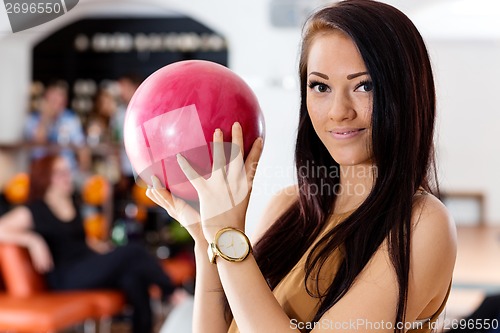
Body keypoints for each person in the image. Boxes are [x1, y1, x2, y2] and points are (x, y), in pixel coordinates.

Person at [147, 1, 457, 333]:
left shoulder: (422, 224)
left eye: (364, 86)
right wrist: (205, 237)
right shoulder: (288, 206)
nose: (339, 111)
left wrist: (229, 237)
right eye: (320, 87)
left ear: (406, 92)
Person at [0, 154, 176, 333]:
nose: (68, 177)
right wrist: (32, 240)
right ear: (46, 177)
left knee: (131, 277)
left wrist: (106, 252)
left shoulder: (72, 203)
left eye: (68, 172)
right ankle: (173, 293)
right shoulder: (34, 210)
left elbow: (80, 242)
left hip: (87, 265)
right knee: (134, 251)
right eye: (61, 173)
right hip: (67, 277)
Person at [24, 80, 89, 171]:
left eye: (60, 100)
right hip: (42, 170)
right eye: (52, 100)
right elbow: (38, 143)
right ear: (44, 100)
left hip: (67, 170)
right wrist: (45, 118)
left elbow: (82, 147)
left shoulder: (70, 119)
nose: (56, 104)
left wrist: (83, 174)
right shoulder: (33, 119)